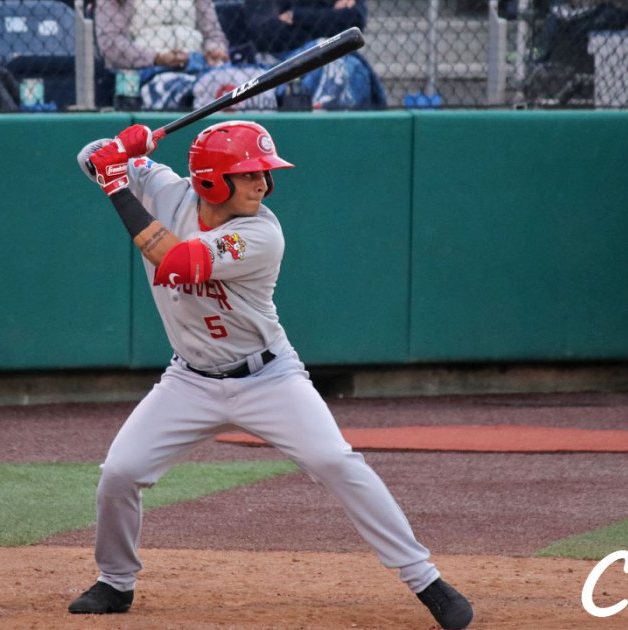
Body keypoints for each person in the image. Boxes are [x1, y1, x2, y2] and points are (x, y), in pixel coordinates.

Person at [67, 121, 474, 630]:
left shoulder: (261, 233)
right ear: (212, 181)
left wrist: (115, 184)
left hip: (268, 378)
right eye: (250, 173)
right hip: (189, 381)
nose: (264, 183)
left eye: (264, 172)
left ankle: (425, 579)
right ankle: (116, 582)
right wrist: (124, 148)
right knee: (119, 474)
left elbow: (175, 260)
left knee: (336, 460)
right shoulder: (165, 188)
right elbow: (89, 156)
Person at [233, 0, 386, 109]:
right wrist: (328, 19)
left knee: (339, 60)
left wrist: (297, 16)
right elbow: (266, 35)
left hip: (334, 56)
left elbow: (354, 22)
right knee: (325, 51)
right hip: (278, 61)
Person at [93, 0, 230, 109]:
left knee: (230, 84)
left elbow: (214, 35)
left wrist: (215, 51)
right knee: (192, 93)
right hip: (146, 72)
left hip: (199, 66)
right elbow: (110, 43)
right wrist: (157, 58)